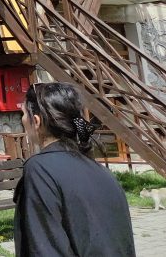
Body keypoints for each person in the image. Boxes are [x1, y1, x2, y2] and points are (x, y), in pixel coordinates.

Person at [14, 82, 134, 257]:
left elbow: (43, 248)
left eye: (24, 114)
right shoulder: (99, 170)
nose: (23, 120)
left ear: (37, 121)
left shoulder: (40, 169)